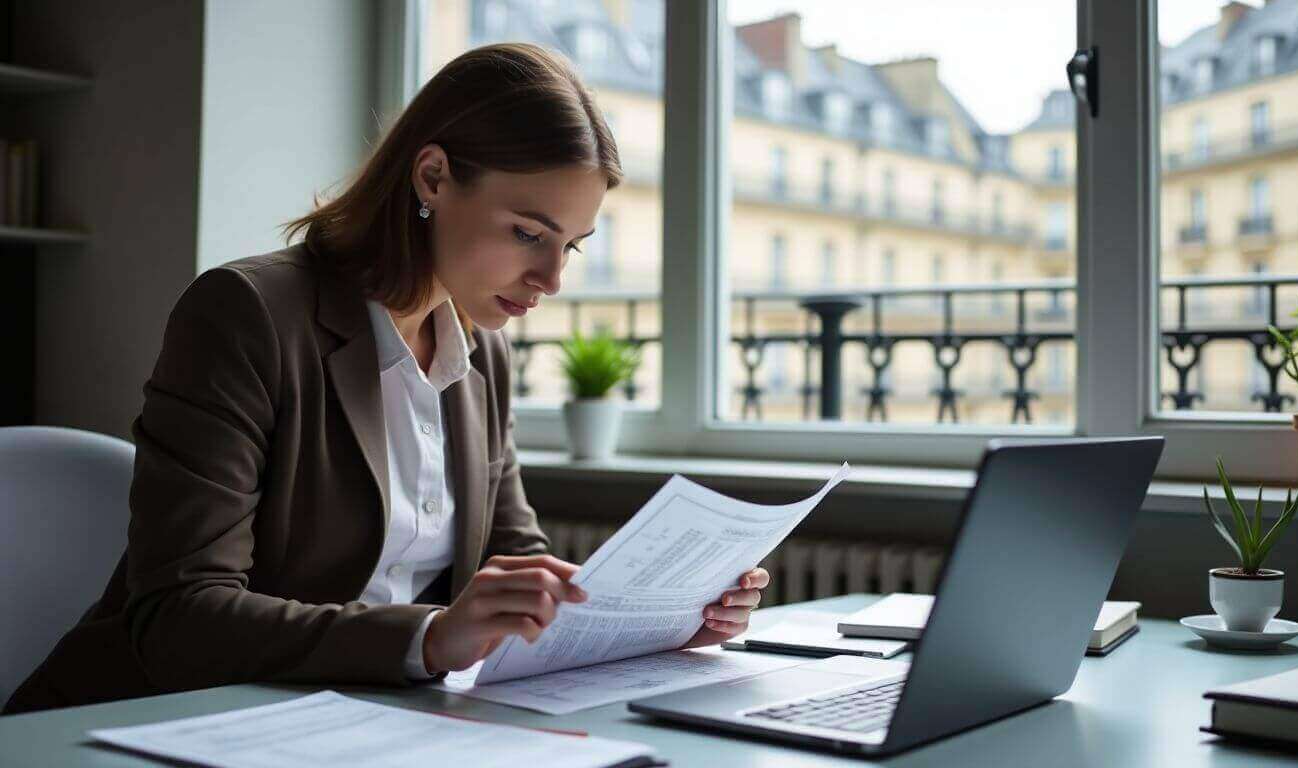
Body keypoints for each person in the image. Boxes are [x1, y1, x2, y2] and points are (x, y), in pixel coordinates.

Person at [5, 43, 768, 714]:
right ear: (433, 176)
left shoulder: (480, 352)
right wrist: (431, 638)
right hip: (155, 724)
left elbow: (515, 571)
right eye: (529, 233)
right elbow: (179, 618)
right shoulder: (245, 315)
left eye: (569, 246)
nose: (549, 279)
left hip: (361, 722)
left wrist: (662, 620)